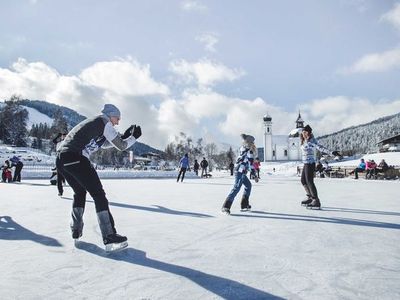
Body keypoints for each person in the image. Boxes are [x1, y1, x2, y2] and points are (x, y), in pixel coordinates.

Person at [56, 104, 141, 251]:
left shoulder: (96, 124)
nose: (117, 122)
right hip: (76, 157)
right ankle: (109, 236)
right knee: (99, 195)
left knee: (80, 192)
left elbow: (106, 144)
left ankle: (75, 229)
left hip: (61, 160)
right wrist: (133, 138)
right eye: (117, 118)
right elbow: (121, 146)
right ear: (110, 115)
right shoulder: (104, 121)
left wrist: (124, 136)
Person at [300, 125, 340, 209]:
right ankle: (310, 197)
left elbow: (320, 148)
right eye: (303, 132)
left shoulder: (312, 140)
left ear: (309, 133)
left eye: (305, 132)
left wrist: (331, 152)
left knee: (309, 181)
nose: (304, 133)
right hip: (305, 163)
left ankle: (315, 200)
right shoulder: (304, 140)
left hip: (310, 163)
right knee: (303, 180)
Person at [222, 134, 257, 214]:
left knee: (248, 185)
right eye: (252, 142)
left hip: (241, 171)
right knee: (236, 188)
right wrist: (254, 175)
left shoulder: (243, 148)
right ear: (249, 143)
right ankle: (226, 206)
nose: (254, 144)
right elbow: (251, 164)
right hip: (240, 172)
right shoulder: (248, 150)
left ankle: (244, 205)